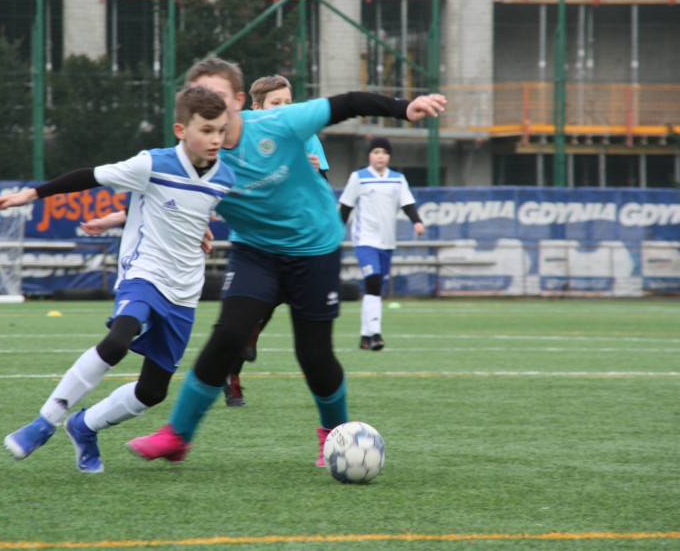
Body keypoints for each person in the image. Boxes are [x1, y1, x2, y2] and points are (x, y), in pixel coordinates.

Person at [126, 57, 445, 466]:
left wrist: (403, 107)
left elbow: (348, 102)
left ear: (238, 100)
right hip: (254, 251)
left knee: (313, 353)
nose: (210, 105)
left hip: (314, 248)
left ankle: (334, 436)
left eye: (218, 95)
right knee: (229, 335)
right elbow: (165, 192)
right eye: (200, 96)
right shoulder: (194, 151)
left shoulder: (279, 123)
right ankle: (177, 436)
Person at [0, 86, 235, 472]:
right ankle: (44, 422)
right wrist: (29, 195)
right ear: (181, 130)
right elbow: (89, 176)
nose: (216, 139)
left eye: (220, 130)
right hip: (144, 273)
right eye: (206, 130)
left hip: (186, 291)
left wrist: (198, 227)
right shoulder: (152, 163)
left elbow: (190, 207)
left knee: (152, 391)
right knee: (118, 340)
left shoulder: (225, 177)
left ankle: (84, 427)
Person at [222, 74, 331, 407]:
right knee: (248, 312)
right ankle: (232, 373)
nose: (284, 109)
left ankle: (237, 360)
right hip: (255, 240)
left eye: (288, 102)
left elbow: (323, 187)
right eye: (275, 103)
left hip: (298, 238)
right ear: (256, 108)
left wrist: (315, 173)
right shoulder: (238, 137)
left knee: (277, 312)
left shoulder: (305, 135)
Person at [338, 136, 425, 351]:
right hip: (365, 240)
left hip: (387, 242)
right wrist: (336, 232)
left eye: (384, 153)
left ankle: (365, 336)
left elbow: (408, 204)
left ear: (389, 157)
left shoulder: (398, 179)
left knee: (375, 288)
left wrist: (417, 221)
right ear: (370, 155)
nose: (380, 156)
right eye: (376, 152)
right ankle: (376, 334)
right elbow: (346, 207)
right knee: (374, 281)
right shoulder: (359, 177)